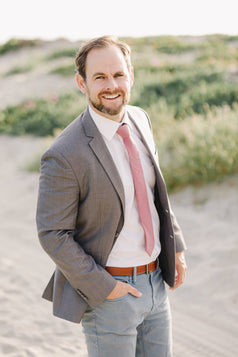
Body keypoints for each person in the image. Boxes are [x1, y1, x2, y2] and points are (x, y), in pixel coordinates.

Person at [36, 35, 187, 357]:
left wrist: (176, 246)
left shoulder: (140, 119)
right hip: (110, 294)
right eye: (99, 77)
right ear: (82, 82)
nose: (111, 85)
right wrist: (106, 289)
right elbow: (52, 234)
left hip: (156, 282)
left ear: (130, 75)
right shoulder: (64, 154)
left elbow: (155, 194)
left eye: (118, 74)